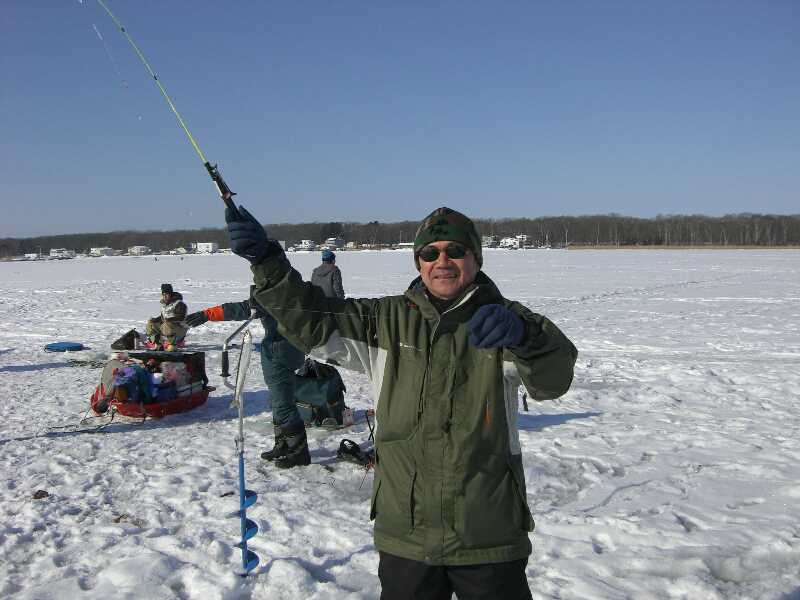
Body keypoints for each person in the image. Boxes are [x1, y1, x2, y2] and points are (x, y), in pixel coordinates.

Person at [226, 205, 578, 599]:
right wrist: (267, 262)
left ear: (476, 258)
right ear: (418, 262)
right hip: (405, 537)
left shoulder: (506, 321)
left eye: (455, 251)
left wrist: (526, 336)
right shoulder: (384, 320)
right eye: (430, 253)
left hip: (488, 534)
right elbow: (312, 320)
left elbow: (554, 379)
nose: (442, 261)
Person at [184, 287, 309, 468]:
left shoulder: (273, 296)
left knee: (282, 403)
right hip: (287, 350)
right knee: (278, 400)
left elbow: (240, 309)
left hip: (279, 352)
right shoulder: (289, 290)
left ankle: (299, 452)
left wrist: (207, 314)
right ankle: (283, 443)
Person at [145, 283, 188, 351]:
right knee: (150, 324)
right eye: (163, 294)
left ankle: (173, 345)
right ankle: (158, 344)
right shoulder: (165, 305)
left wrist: (169, 320)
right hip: (167, 327)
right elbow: (163, 317)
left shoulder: (179, 304)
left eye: (167, 294)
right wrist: (155, 320)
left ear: (171, 294)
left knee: (167, 325)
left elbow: (181, 317)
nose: (165, 296)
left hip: (179, 329)